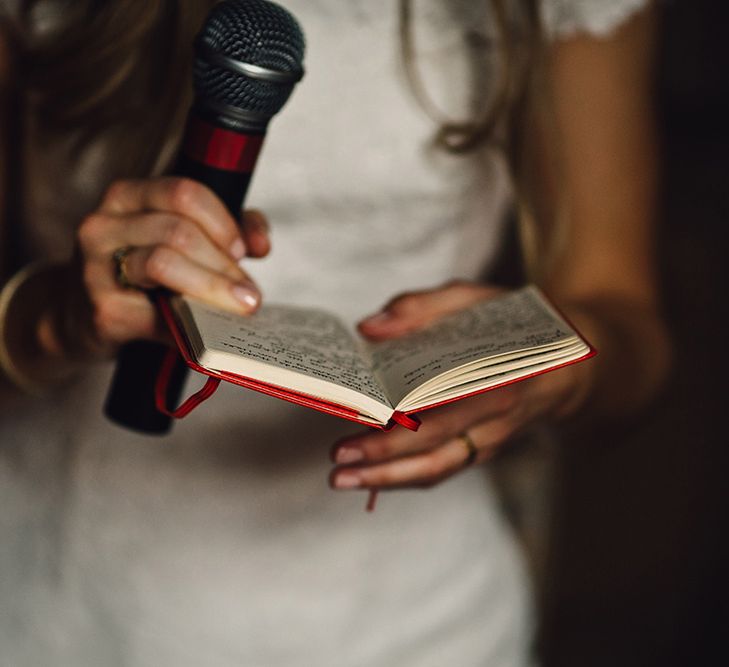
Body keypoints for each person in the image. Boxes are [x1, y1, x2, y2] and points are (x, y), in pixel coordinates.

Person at [0, 0, 670, 665]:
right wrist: (53, 319)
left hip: (411, 626)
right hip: (54, 593)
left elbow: (624, 321)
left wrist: (554, 367)